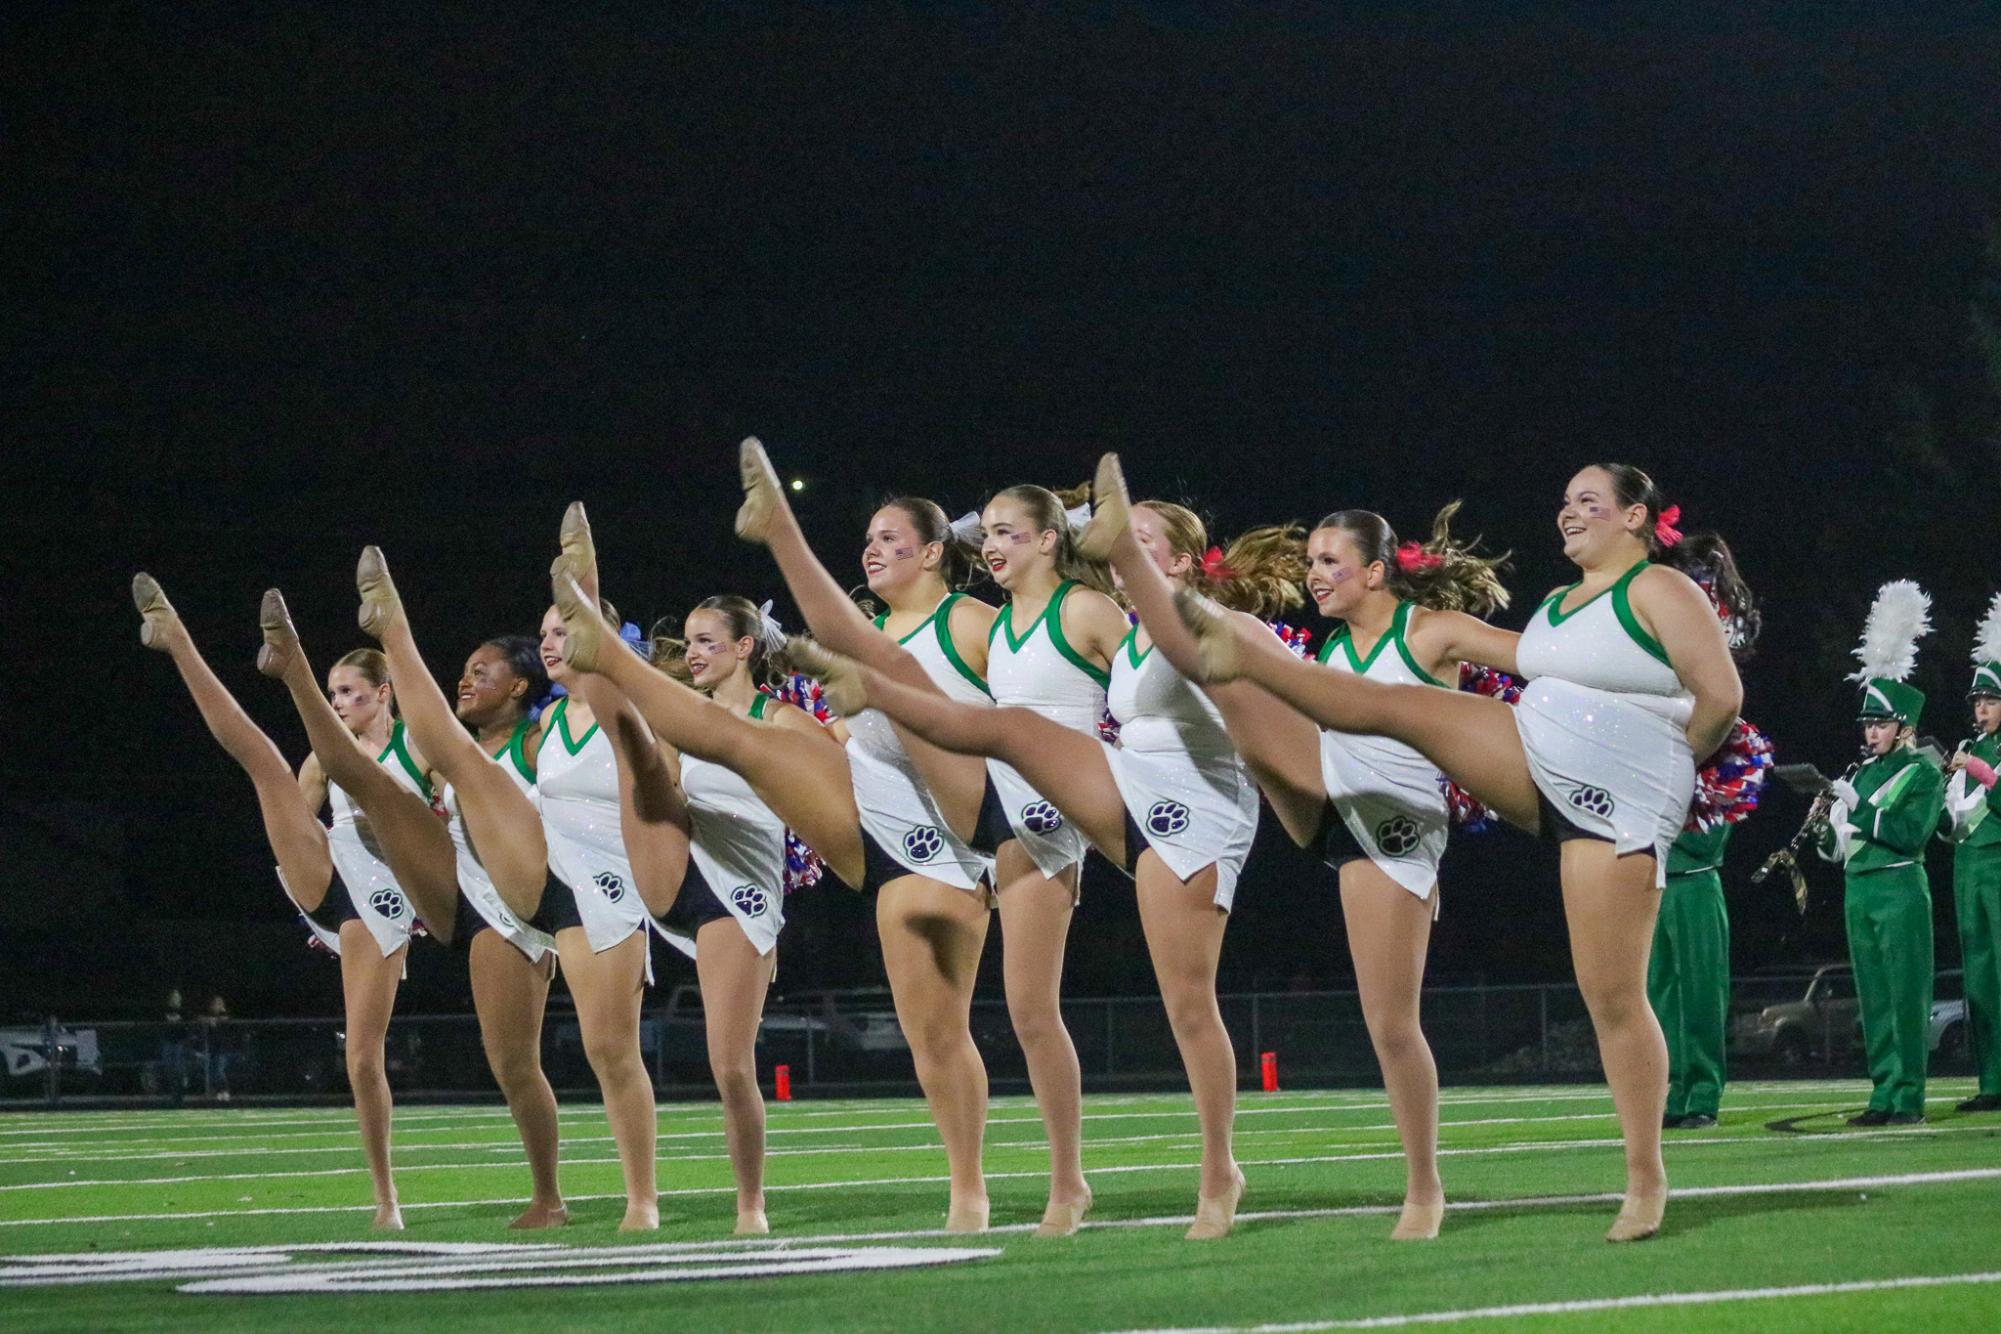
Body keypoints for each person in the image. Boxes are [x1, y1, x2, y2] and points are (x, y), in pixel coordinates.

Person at [1172, 464, 1749, 1242]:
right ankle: (1235, 655)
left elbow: (1718, 696)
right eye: (1565, 498)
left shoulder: (1658, 590)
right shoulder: (1554, 606)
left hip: (1619, 795)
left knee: (1610, 996)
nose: (1568, 512)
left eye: (1589, 502)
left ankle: (1644, 1179)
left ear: (1636, 517)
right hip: (1529, 761)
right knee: (1397, 707)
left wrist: (1663, 770)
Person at [1079, 453, 1517, 1240]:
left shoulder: (1431, 633)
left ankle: (1424, 1187)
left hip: (1389, 826)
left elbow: (1538, 661)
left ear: (1376, 570)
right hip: (1317, 794)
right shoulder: (1324, 656)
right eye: (1310, 561)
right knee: (1218, 662)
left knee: (1389, 1023)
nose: (1315, 575)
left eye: (1330, 562)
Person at [352, 546, 662, 1230]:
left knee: (609, 1051)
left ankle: (642, 1199)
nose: (552, 643)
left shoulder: (549, 728)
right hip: (501, 902)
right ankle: (548, 1198)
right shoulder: (511, 737)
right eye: (546, 633)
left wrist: (586, 596)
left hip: (589, 887)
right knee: (511, 1064)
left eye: (563, 631)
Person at [257, 593, 570, 1227]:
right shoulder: (444, 753)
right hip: (446, 893)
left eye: (482, 672)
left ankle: (553, 1196)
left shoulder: (533, 740)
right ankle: (288, 662)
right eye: (334, 693)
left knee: (518, 1061)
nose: (467, 679)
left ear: (517, 686)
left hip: (516, 903)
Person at [135, 576, 415, 1225]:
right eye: (335, 691)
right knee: (263, 759)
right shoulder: (326, 754)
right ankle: (177, 640)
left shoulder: (417, 745)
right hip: (329, 874)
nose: (342, 702)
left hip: (388, 897)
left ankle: (386, 1199)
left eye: (351, 692)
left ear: (384, 694)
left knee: (361, 1055)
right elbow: (297, 810)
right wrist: (303, 903)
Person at [1814, 581, 1945, 1127]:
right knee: (1873, 999)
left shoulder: (1922, 770)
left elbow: (1911, 833)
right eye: (1868, 722)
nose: (1871, 732)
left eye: (1881, 723)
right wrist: (1823, 822)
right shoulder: (1861, 772)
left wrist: (1858, 806)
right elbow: (1837, 848)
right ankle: (1883, 1092)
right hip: (1859, 887)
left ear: (1905, 727)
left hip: (1898, 887)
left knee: (1905, 997)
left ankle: (1908, 1097)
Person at [1943, 593, 2001, 1112]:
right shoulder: (1971, 747)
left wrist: (1982, 774)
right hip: (1968, 864)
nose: (1981, 709)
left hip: (1999, 862)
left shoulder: (1989, 755)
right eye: (1978, 702)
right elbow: (1952, 818)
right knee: (1980, 976)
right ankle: (1992, 1082)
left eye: (1991, 701)